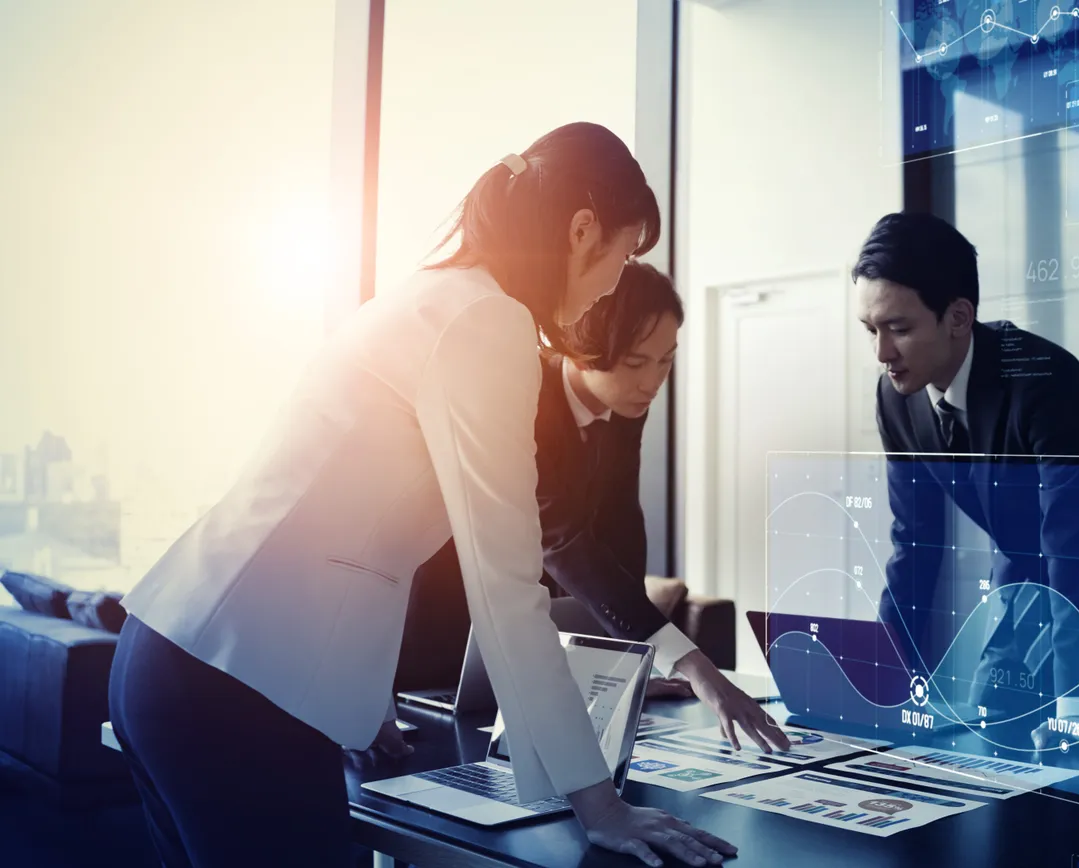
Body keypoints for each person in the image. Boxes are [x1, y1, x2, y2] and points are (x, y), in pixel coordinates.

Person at [109, 123, 732, 868]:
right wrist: (597, 801)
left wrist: (361, 699)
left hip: (175, 660)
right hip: (238, 695)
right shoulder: (488, 321)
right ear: (581, 230)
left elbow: (341, 523)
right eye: (625, 255)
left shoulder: (432, 297)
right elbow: (504, 589)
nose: (614, 283)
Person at [853, 211, 1079, 759]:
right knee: (992, 727)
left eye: (898, 329)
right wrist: (876, 675)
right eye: (870, 330)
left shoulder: (1046, 382)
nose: (882, 354)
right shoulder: (895, 398)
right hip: (1028, 584)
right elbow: (914, 542)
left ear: (958, 316)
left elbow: (1076, 547)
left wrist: (1077, 708)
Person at [516, 260, 790, 752]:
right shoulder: (523, 394)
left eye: (666, 360)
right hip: (446, 607)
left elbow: (620, 521)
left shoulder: (623, 403)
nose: (654, 381)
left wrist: (638, 659)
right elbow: (562, 539)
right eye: (637, 362)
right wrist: (698, 669)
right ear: (579, 352)